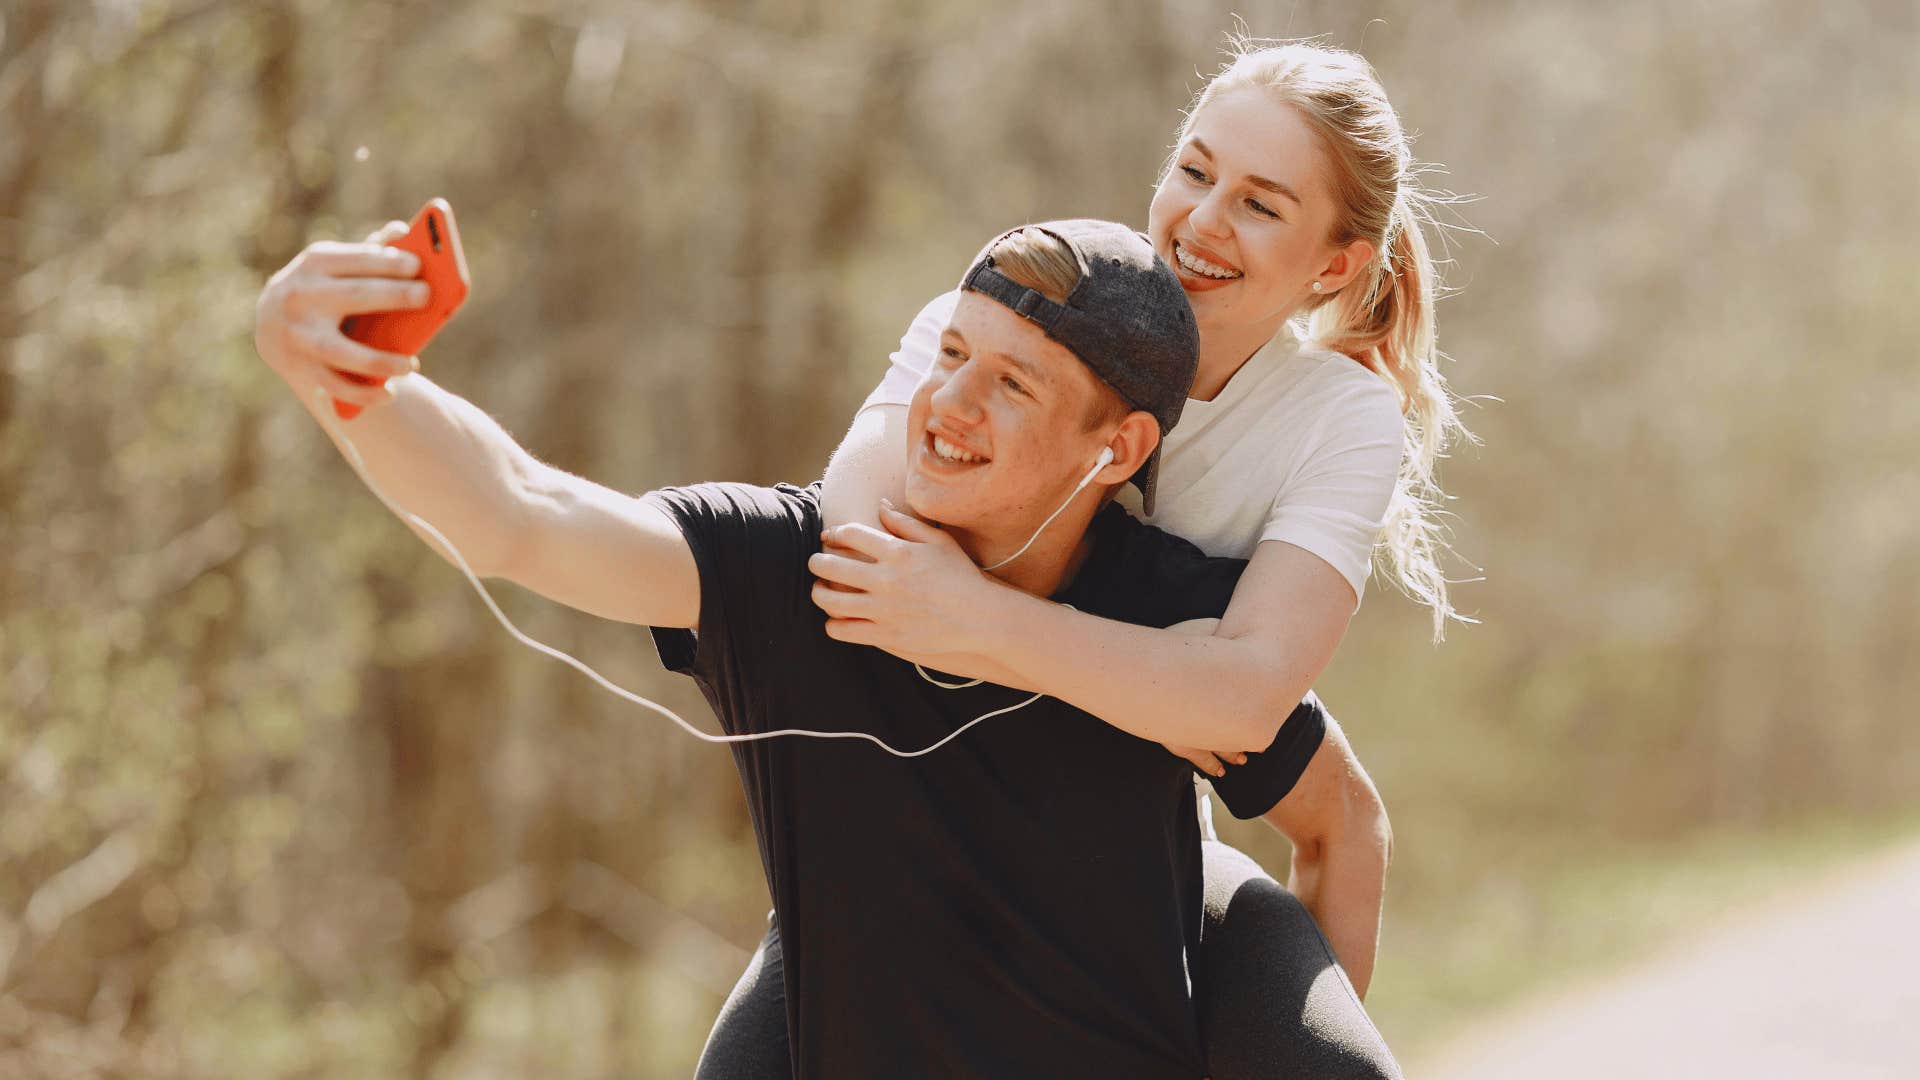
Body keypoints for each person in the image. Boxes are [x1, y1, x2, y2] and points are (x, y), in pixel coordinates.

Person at [253, 217, 1398, 1076]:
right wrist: (357, 382)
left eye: (1012, 384)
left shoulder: (1170, 623)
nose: (948, 404)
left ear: (1117, 448)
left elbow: (1337, 815)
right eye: (950, 353)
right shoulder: (794, 568)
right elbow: (518, 513)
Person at [703, 36, 1466, 1078]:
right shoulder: (1014, 312)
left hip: (1139, 839)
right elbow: (866, 537)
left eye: (1260, 202)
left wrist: (979, 617)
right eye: (1195, 171)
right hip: (916, 829)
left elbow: (1247, 699)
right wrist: (1169, 666)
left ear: (1334, 263)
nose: (1201, 219)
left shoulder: (1340, 419)